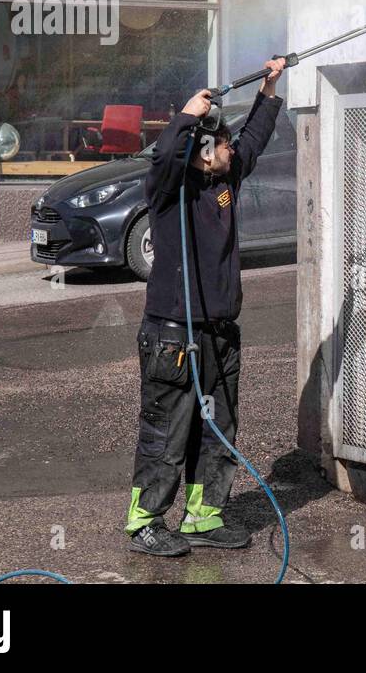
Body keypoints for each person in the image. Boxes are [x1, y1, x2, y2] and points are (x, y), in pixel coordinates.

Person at [124, 58, 287, 556]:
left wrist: (269, 89)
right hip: (173, 337)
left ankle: (202, 515)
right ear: (199, 152)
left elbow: (254, 140)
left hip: (219, 335)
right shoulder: (170, 192)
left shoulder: (224, 183)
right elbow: (164, 159)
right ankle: (145, 521)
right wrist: (185, 117)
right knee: (166, 434)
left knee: (215, 432)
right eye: (219, 144)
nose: (230, 149)